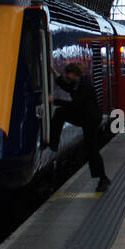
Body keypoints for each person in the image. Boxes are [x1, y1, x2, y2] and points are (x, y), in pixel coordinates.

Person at [49, 61, 110, 191]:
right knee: (60, 113)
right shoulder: (77, 82)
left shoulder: (84, 85)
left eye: (67, 74)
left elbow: (75, 104)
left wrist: (55, 101)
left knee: (92, 150)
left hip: (90, 120)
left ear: (73, 74)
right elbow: (66, 86)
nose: (66, 76)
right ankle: (53, 142)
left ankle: (103, 179)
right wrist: (55, 73)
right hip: (84, 117)